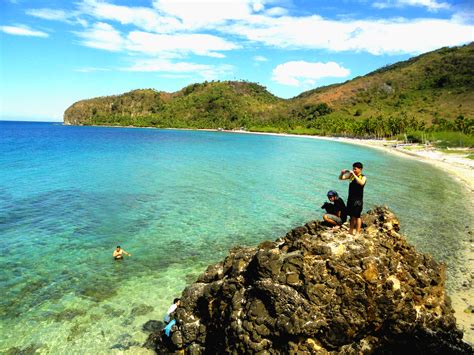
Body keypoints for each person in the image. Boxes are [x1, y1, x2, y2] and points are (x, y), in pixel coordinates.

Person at [339, 162, 366, 235]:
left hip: (358, 200)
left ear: (360, 169)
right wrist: (342, 173)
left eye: (355, 169)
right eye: (353, 168)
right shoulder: (351, 176)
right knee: (351, 215)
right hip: (350, 198)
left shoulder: (363, 177)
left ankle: (357, 232)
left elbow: (361, 183)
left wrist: (353, 174)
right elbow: (341, 178)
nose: (353, 170)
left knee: (357, 216)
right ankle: (351, 230)